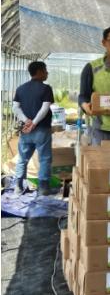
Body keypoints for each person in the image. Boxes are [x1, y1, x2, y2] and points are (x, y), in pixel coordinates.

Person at [12, 61, 54, 196]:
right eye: (45, 70)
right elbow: (45, 108)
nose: (47, 73)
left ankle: (18, 186)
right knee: (44, 158)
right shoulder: (46, 88)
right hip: (42, 129)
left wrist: (26, 121)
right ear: (39, 71)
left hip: (25, 131)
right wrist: (34, 123)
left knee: (22, 158)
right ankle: (43, 188)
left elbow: (15, 108)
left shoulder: (21, 88)